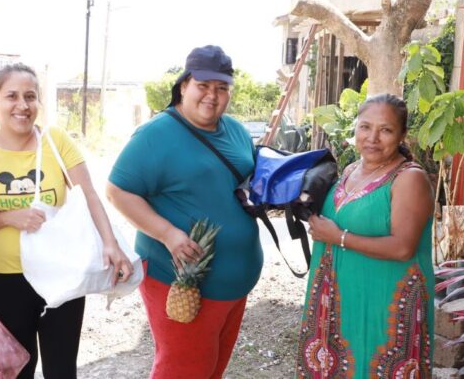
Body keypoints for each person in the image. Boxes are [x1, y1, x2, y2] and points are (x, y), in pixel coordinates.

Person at [0, 62, 133, 379]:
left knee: (61, 370)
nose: (23, 105)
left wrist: (110, 244)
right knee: (16, 370)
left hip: (60, 274)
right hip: (3, 279)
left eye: (30, 96)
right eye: (12, 96)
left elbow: (88, 194)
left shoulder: (55, 142)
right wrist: (8, 217)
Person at [106, 45, 263, 379]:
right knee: (183, 371)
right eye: (203, 86)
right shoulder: (157, 134)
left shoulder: (235, 129)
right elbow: (117, 191)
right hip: (183, 282)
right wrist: (168, 234)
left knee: (211, 369)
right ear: (183, 86)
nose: (212, 96)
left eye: (221, 88)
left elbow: (242, 182)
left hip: (235, 282)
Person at [296, 93, 434, 378]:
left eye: (385, 130)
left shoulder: (409, 178)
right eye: (365, 127)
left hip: (383, 304)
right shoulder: (349, 171)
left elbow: (403, 248)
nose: (373, 137)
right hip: (340, 302)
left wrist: (338, 237)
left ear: (402, 135)